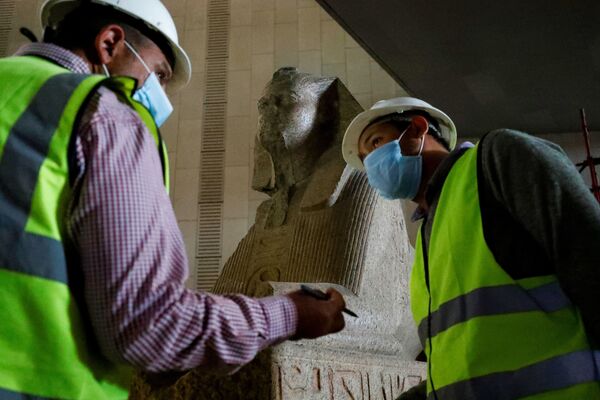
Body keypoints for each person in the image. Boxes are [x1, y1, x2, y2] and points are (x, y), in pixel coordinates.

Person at [0, 1, 346, 398]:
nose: (162, 96)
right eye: (159, 74)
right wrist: (292, 314)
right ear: (109, 43)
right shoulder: (107, 115)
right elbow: (149, 327)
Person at [341, 97, 600, 399]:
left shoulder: (497, 162)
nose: (372, 164)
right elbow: (464, 366)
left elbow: (591, 260)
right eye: (365, 158)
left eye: (376, 143)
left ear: (417, 128)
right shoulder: (428, 237)